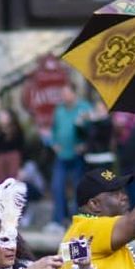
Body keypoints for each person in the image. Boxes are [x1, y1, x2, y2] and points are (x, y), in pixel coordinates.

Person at [47, 84, 91, 232]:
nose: (63, 97)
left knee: (78, 188)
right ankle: (58, 220)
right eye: (62, 94)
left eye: (66, 93)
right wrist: (53, 143)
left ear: (74, 93)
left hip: (77, 156)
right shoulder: (59, 110)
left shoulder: (85, 108)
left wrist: (85, 144)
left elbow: (93, 130)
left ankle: (75, 220)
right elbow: (53, 130)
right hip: (61, 155)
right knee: (57, 186)